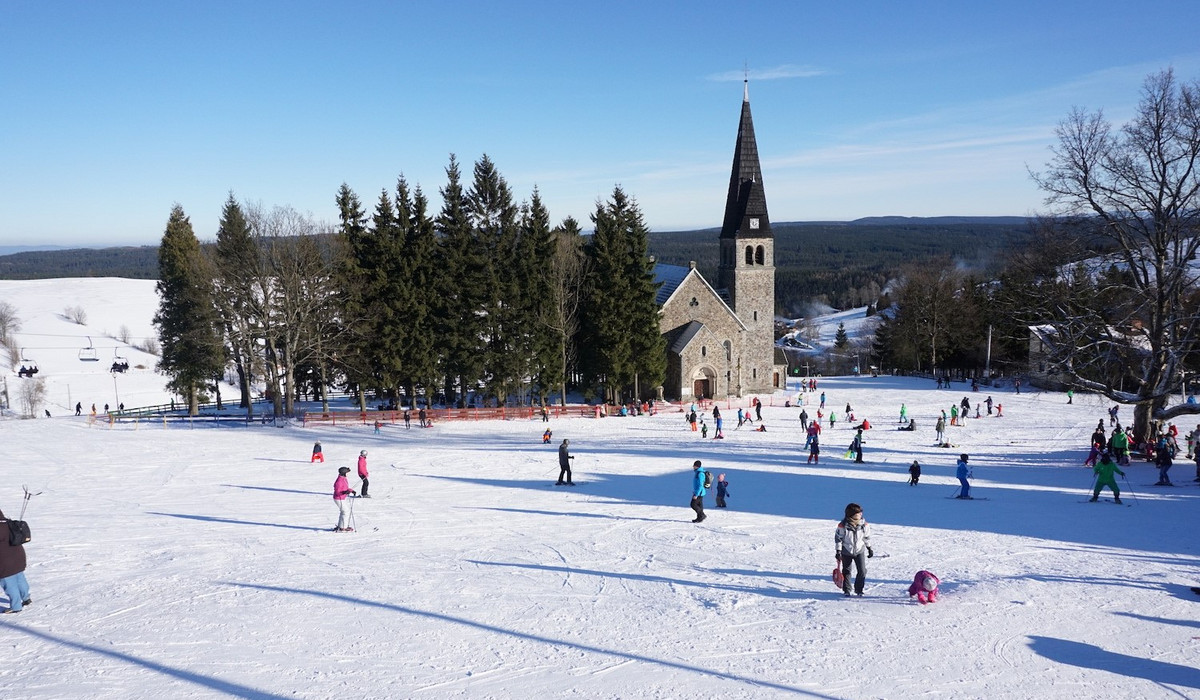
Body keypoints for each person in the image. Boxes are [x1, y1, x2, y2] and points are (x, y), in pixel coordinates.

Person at [835, 503, 872, 597]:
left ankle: (859, 589)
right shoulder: (842, 525)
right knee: (846, 571)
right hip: (846, 550)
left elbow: (866, 537)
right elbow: (838, 538)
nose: (860, 514)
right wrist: (838, 551)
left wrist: (869, 548)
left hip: (859, 550)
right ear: (851, 514)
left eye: (860, 513)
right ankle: (847, 590)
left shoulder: (864, 525)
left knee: (862, 570)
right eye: (858, 513)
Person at [0, 509, 31, 613]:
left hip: (4, 563)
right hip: (18, 558)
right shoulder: (9, 523)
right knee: (19, 578)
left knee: (9, 585)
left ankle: (16, 607)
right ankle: (26, 598)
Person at [333, 467, 356, 532]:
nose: (348, 474)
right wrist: (344, 492)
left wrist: (351, 491)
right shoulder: (339, 481)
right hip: (339, 498)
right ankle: (343, 528)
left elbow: (345, 488)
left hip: (341, 498)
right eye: (347, 472)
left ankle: (341, 526)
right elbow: (338, 491)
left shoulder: (343, 479)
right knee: (345, 511)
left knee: (344, 511)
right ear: (344, 473)